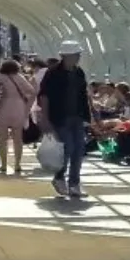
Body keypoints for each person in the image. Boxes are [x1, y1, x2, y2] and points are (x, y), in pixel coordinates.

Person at [38, 40, 93, 198]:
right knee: (67, 149)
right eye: (76, 55)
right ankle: (59, 178)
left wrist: (89, 116)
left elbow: (83, 95)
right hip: (59, 117)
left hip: (77, 116)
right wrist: (46, 119)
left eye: (78, 55)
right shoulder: (53, 73)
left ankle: (74, 183)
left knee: (79, 150)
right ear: (65, 56)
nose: (78, 57)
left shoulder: (79, 72)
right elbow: (44, 96)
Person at [0, 59, 35, 174]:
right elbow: (32, 92)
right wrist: (27, 107)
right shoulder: (19, 77)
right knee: (18, 139)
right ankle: (17, 164)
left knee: (2, 139)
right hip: (18, 109)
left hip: (1, 109)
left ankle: (3, 165)